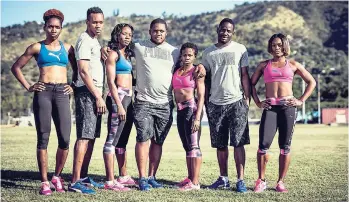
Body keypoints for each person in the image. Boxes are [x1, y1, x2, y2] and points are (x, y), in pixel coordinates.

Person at [102, 18, 206, 191]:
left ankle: (151, 176)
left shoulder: (174, 51)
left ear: (166, 33)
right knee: (142, 139)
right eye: (155, 30)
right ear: (150, 32)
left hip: (165, 104)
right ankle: (142, 178)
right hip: (143, 102)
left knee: (158, 141)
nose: (158, 33)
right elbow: (119, 48)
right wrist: (104, 48)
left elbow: (189, 63)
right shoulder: (138, 47)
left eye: (162, 31)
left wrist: (201, 65)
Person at [11, 9, 76, 195]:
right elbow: (16, 67)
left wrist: (73, 84)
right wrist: (28, 86)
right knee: (43, 138)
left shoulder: (69, 48)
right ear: (44, 27)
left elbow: (79, 70)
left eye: (57, 27)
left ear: (61, 28)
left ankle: (57, 176)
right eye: (50, 26)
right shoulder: (36, 47)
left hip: (62, 93)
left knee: (65, 139)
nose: (53, 30)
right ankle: (45, 182)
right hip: (43, 92)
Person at [251, 33, 316, 193]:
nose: (276, 48)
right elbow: (251, 84)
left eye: (279, 45)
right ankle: (261, 180)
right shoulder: (263, 65)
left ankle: (280, 182)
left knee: (285, 146)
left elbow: (312, 82)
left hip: (288, 108)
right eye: (273, 45)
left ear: (285, 46)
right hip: (270, 108)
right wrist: (258, 102)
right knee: (263, 145)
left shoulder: (293, 65)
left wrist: (300, 100)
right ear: (270, 47)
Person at [202, 18, 251, 193]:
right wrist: (206, 101)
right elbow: (205, 79)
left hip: (236, 102)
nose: (225, 33)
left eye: (229, 31)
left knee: (238, 143)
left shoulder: (240, 49)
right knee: (220, 144)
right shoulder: (208, 52)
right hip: (215, 104)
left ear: (233, 32)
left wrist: (247, 98)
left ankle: (240, 180)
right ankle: (223, 179)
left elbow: (244, 75)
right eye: (223, 30)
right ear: (218, 29)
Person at [68, 7, 106, 194]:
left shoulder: (95, 41)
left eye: (100, 22)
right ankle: (75, 181)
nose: (98, 25)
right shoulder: (84, 40)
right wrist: (98, 96)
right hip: (87, 93)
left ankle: (83, 177)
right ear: (87, 22)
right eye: (94, 22)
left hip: (95, 93)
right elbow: (83, 71)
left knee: (91, 136)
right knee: (84, 136)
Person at [102, 23, 137, 191]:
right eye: (124, 34)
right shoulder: (113, 55)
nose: (127, 36)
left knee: (122, 141)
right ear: (117, 35)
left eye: (130, 34)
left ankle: (123, 176)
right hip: (119, 98)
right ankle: (110, 181)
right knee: (112, 140)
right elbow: (110, 82)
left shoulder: (127, 54)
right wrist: (119, 105)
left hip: (129, 98)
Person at [172, 42, 205, 191]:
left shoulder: (196, 72)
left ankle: (196, 183)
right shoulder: (177, 70)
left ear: (194, 57)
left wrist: (197, 118)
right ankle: (190, 177)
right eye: (184, 54)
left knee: (194, 146)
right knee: (187, 146)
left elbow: (202, 95)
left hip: (192, 109)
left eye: (190, 55)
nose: (186, 57)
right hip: (179, 111)